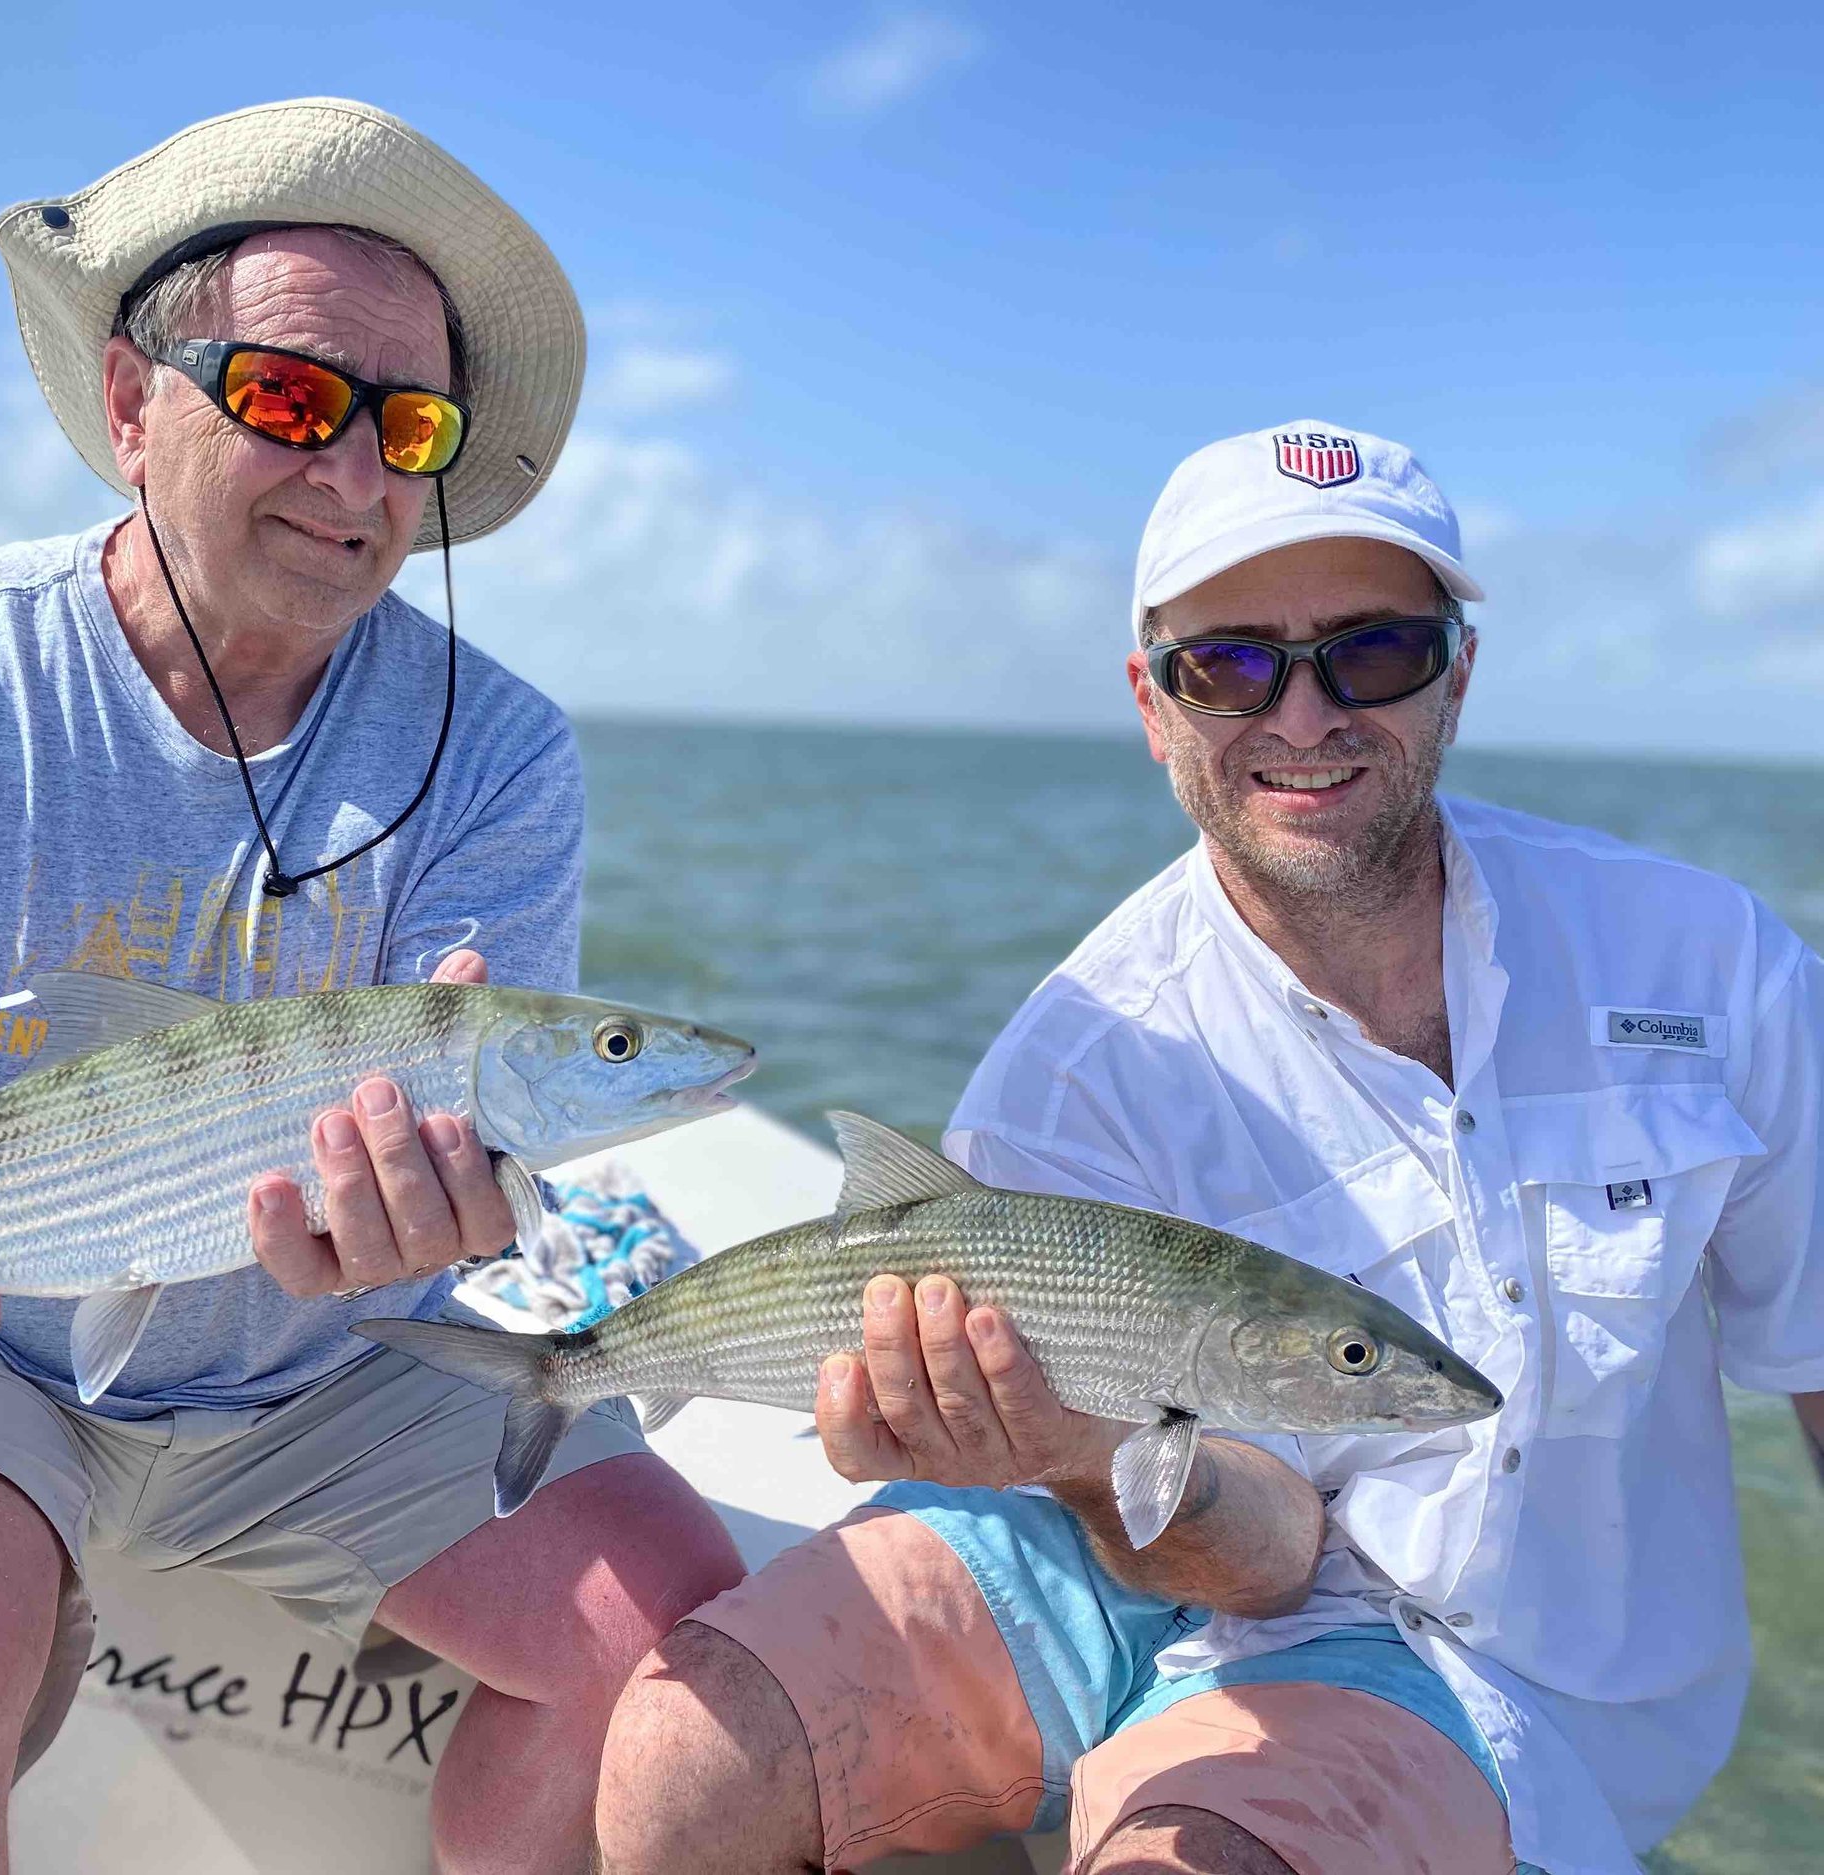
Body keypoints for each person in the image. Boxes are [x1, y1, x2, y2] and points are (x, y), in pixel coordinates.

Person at [0, 98, 742, 1875]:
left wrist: (442, 1218)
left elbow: (460, 1178)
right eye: (295, 401)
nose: (359, 476)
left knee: (686, 1646)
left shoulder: (506, 747)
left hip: (328, 1358)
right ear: (129, 402)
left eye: (410, 427)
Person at [597, 421, 1824, 1874]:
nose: (1302, 716)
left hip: (1508, 1668)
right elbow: (1247, 1546)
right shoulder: (1076, 1068)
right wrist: (1063, 1445)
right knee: (685, 1752)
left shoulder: (1705, 961)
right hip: (1150, 1528)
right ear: (1150, 700)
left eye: (1371, 653)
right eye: (1230, 663)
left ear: (1459, 673)